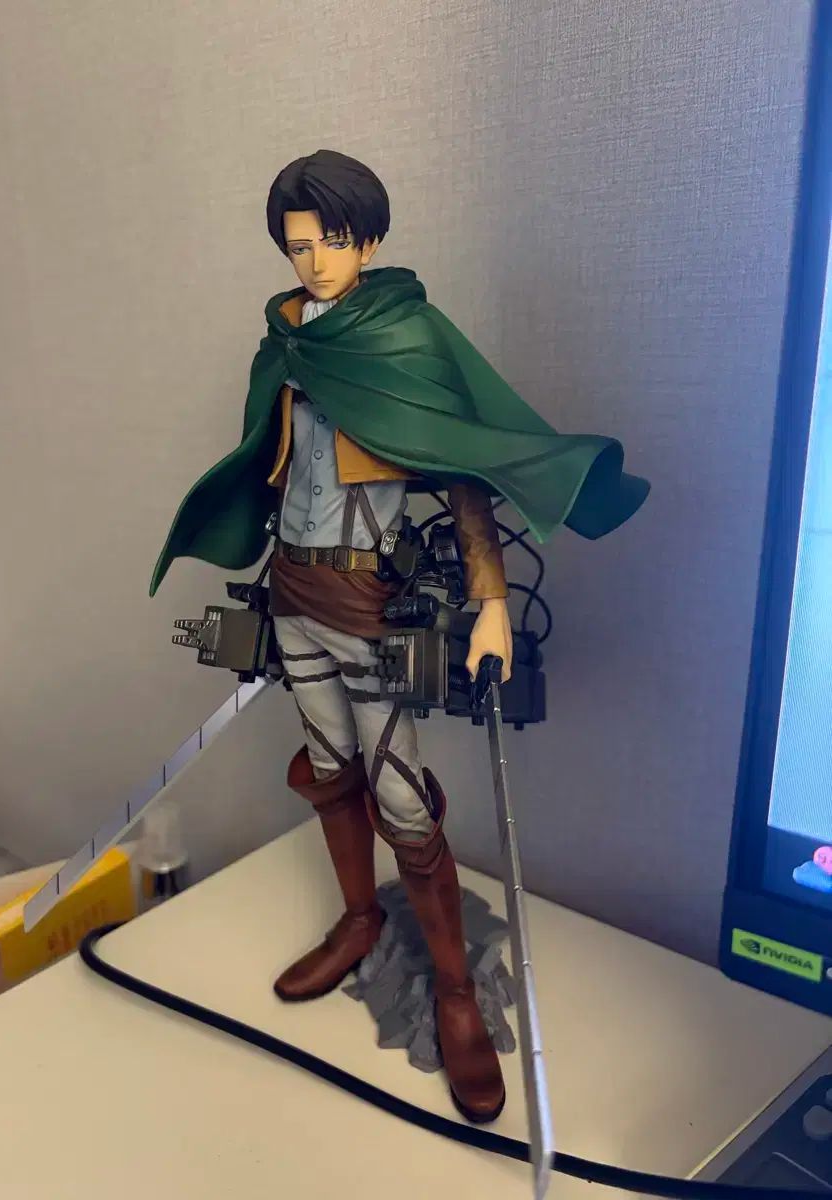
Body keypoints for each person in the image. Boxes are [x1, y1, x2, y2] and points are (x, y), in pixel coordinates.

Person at [150, 149, 649, 1123]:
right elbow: (263, 465)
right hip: (293, 588)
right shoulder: (284, 345)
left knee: (403, 801)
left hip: (372, 603)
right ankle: (357, 921)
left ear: (369, 239)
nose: (316, 261)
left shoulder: (408, 338)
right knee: (327, 768)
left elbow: (462, 469)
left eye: (333, 241)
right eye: (299, 246)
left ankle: (455, 992)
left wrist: (491, 602)